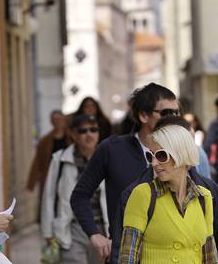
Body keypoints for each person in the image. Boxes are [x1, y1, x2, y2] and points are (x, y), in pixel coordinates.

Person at [70, 82, 179, 262]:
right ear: (143, 115)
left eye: (176, 112)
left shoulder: (183, 153)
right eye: (167, 113)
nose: (174, 118)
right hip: (125, 255)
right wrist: (95, 235)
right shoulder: (112, 149)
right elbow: (80, 195)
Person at [111, 115, 218, 264]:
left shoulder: (204, 197)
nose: (154, 163)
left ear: (181, 154)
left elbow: (210, 256)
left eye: (161, 155)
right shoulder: (142, 194)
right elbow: (127, 258)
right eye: (151, 156)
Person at [42, 114, 107, 264]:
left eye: (93, 129)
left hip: (102, 227)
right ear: (73, 134)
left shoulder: (107, 158)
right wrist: (47, 231)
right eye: (83, 131)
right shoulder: (60, 159)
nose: (89, 134)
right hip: (72, 228)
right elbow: (49, 196)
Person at [27, 110, 71, 221]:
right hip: (51, 175)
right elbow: (37, 161)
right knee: (52, 201)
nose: (57, 122)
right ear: (51, 122)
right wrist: (32, 182)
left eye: (59, 119)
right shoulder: (45, 140)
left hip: (68, 174)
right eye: (55, 120)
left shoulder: (71, 138)